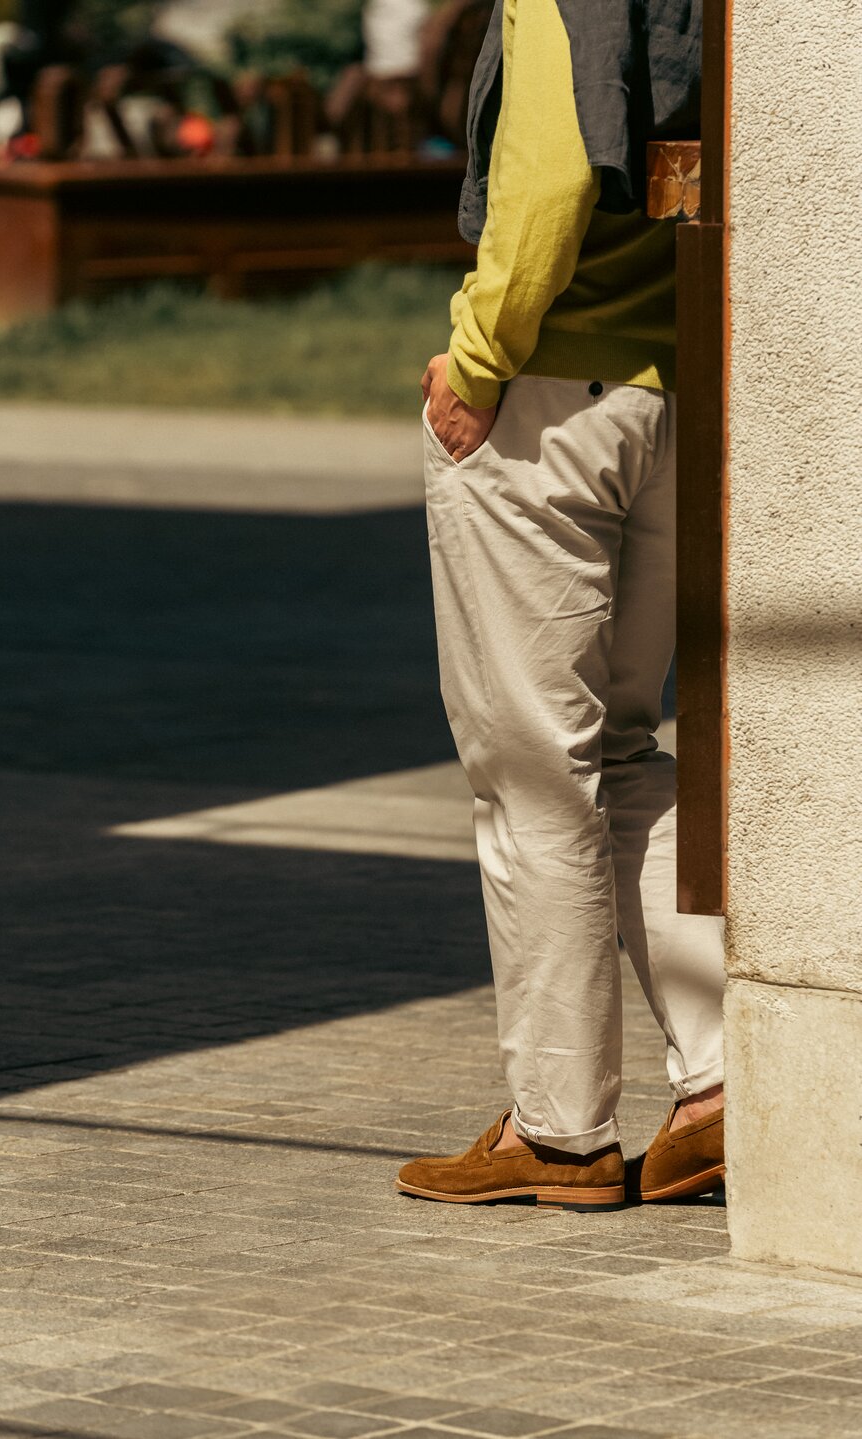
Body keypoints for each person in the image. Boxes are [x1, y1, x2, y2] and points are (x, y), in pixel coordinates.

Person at [396, 0, 726, 1211]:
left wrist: (472, 362)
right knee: (624, 748)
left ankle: (559, 1129)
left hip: (543, 400)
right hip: (671, 395)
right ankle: (722, 1081)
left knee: (532, 768)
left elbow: (542, 184)